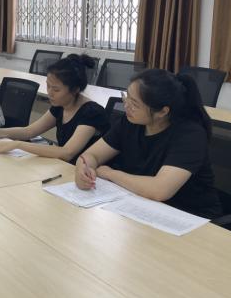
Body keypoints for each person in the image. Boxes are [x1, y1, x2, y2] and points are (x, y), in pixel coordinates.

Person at [75, 69, 222, 218]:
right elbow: (91, 155)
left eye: (134, 104)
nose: (126, 106)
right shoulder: (130, 121)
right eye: (127, 97)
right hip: (141, 204)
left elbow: (160, 190)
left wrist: (110, 173)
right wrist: (83, 170)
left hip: (188, 216)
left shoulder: (190, 135)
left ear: (162, 112)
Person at [0, 54, 109, 164]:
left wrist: (18, 145)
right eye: (48, 86)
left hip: (90, 174)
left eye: (56, 89)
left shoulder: (92, 113)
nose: (49, 93)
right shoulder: (61, 105)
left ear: (75, 90)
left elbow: (67, 152)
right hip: (65, 167)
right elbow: (29, 131)